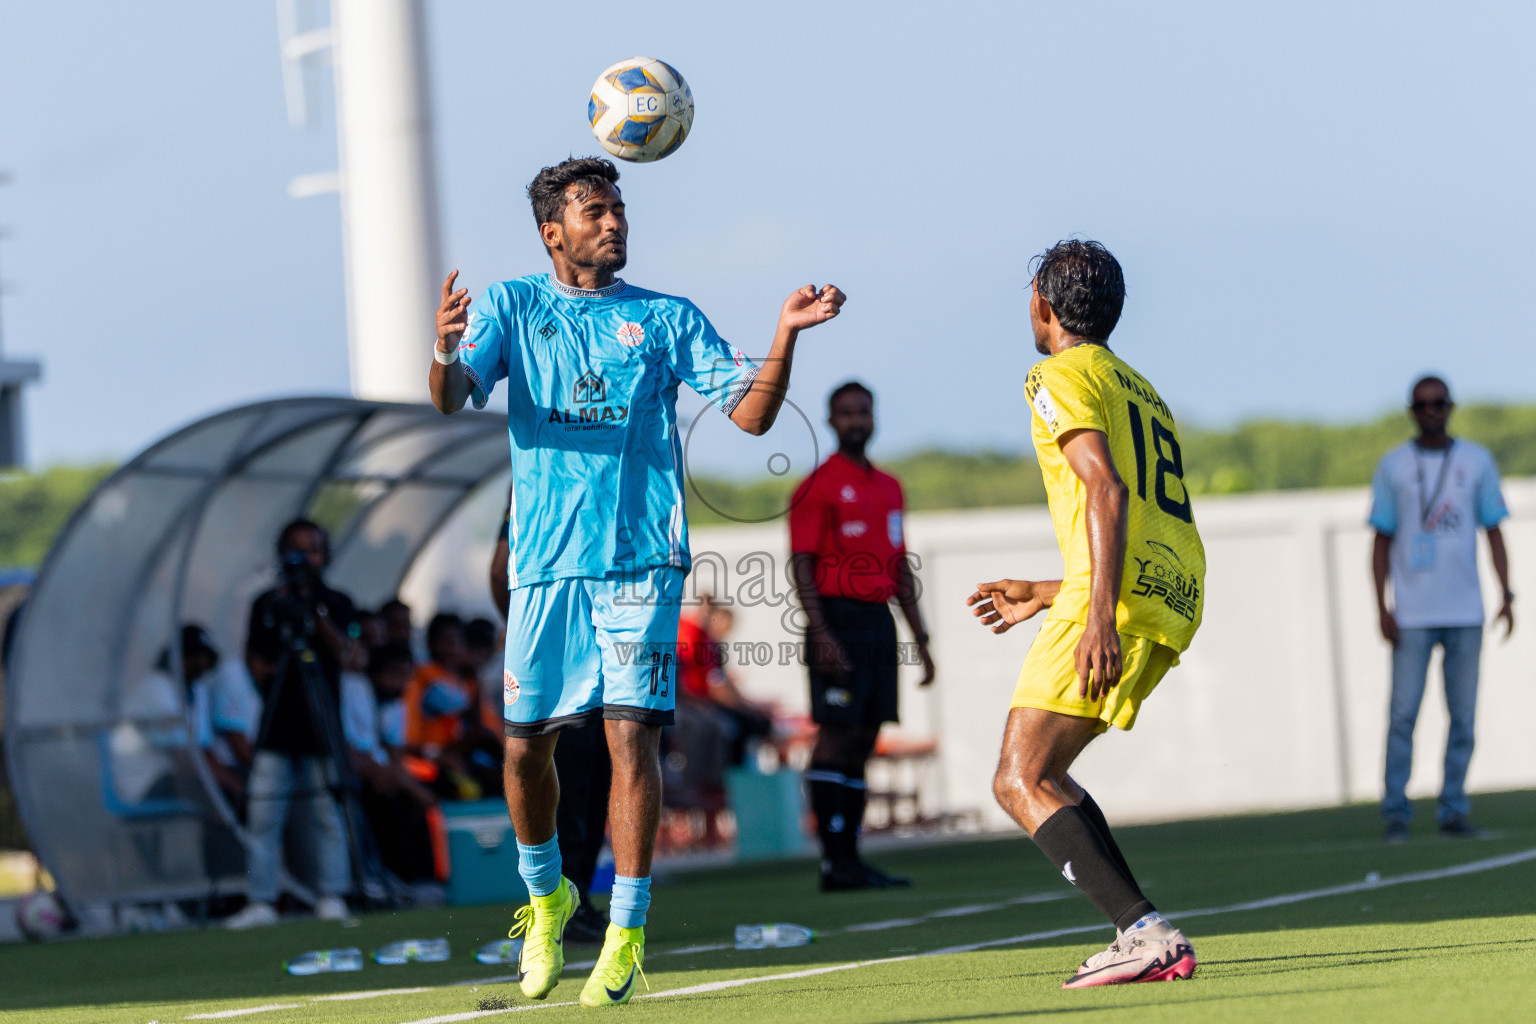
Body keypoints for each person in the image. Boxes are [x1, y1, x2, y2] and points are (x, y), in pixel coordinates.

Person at [431, 155, 844, 1005]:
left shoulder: (663, 318)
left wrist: (785, 335)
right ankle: (546, 897)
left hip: (640, 562)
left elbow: (752, 411)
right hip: (546, 565)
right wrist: (441, 346)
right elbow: (450, 395)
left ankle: (626, 926)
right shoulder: (513, 306)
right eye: (594, 210)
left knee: (632, 739)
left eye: (618, 208)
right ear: (554, 231)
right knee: (524, 751)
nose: (614, 221)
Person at [966, 240, 1204, 988]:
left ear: (1041, 301)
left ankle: (1145, 932)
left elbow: (1106, 491)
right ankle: (1135, 927)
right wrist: (1048, 593)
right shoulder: (1136, 384)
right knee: (1050, 772)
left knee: (1018, 777)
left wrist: (1095, 613)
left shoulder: (1054, 373)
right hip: (1172, 592)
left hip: (1118, 602)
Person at [789, 382, 934, 891]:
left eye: (863, 412)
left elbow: (899, 568)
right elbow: (802, 565)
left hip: (877, 621)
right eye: (846, 413)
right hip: (836, 617)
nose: (856, 421)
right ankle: (832, 862)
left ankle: (852, 858)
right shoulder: (817, 485)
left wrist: (920, 638)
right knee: (835, 737)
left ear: (874, 418)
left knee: (865, 737)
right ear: (831, 421)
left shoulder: (889, 486)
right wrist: (821, 632)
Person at [1370, 375, 1513, 842]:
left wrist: (1506, 595)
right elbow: (1381, 539)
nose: (1431, 411)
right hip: (1411, 612)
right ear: (1412, 411)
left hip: (1466, 610)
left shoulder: (1476, 460)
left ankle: (1453, 808)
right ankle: (1396, 812)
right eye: (1422, 404)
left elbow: (1494, 530)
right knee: (1403, 716)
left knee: (1463, 716)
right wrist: (1382, 607)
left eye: (1439, 403)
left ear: (1450, 407)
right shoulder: (1393, 465)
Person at [224, 519, 357, 929]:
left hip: (321, 727)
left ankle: (332, 895)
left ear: (325, 555)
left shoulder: (336, 601)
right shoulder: (267, 604)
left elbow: (351, 655)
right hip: (277, 725)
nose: (305, 559)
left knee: (327, 815)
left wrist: (314, 613)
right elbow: (257, 663)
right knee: (264, 814)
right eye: (296, 550)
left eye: (313, 550)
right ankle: (261, 900)